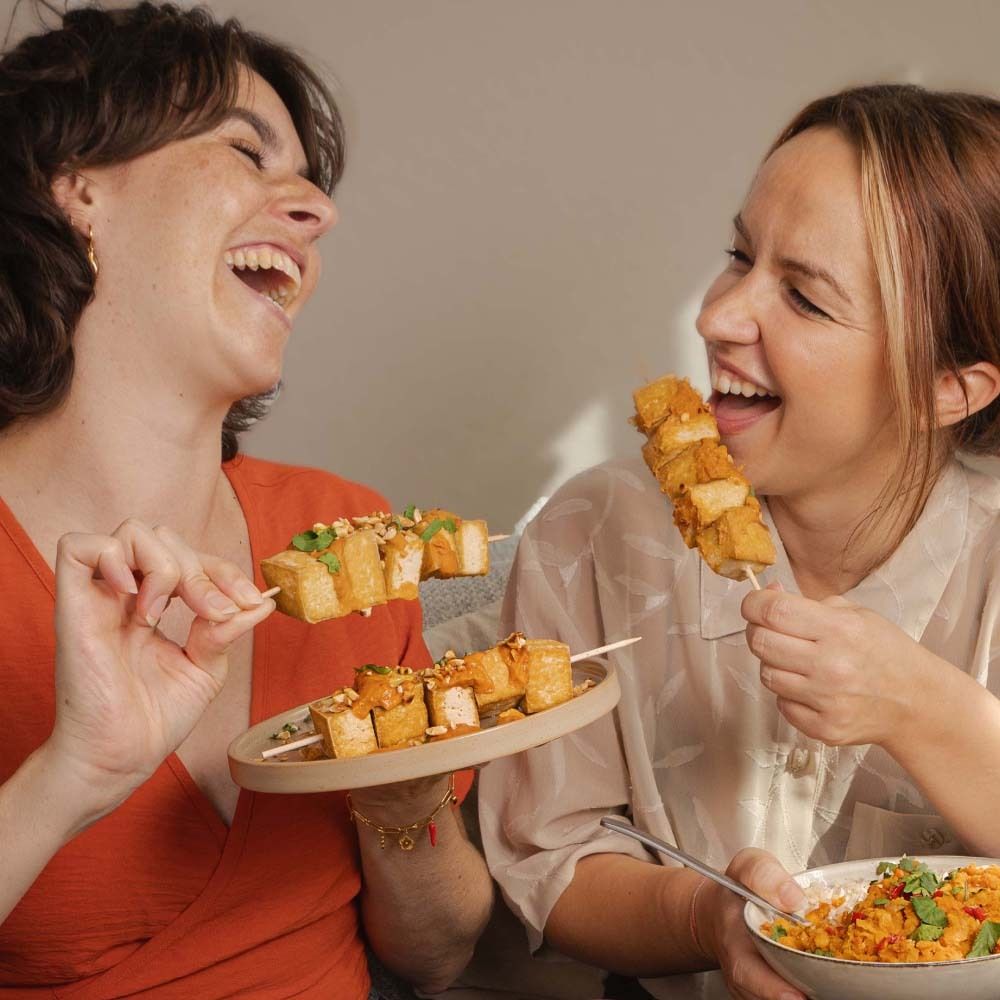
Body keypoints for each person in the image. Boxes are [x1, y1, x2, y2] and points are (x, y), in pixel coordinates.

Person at [0, 4, 492, 997]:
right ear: (77, 188)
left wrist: (408, 801)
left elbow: (435, 956)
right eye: (245, 151)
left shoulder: (346, 530)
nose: (316, 208)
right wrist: (72, 776)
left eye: (307, 178)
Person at [478, 84, 1000, 1000]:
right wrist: (705, 920)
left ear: (946, 390)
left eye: (802, 296)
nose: (717, 316)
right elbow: (552, 858)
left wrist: (931, 713)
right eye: (738, 256)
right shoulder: (588, 535)